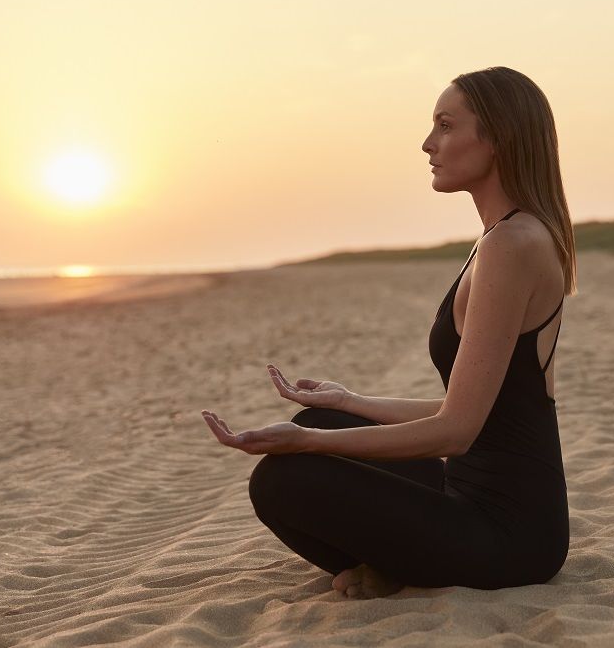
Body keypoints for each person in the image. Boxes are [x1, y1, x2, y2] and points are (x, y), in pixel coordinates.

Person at [201, 66, 578, 598]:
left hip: (510, 535)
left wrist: (308, 444)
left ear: (498, 137)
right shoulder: (503, 236)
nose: (428, 144)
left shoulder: (511, 245)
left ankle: (395, 566)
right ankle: (394, 563)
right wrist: (350, 402)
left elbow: (455, 432)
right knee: (322, 418)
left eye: (445, 125)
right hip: (466, 491)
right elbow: (480, 410)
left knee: (282, 478)